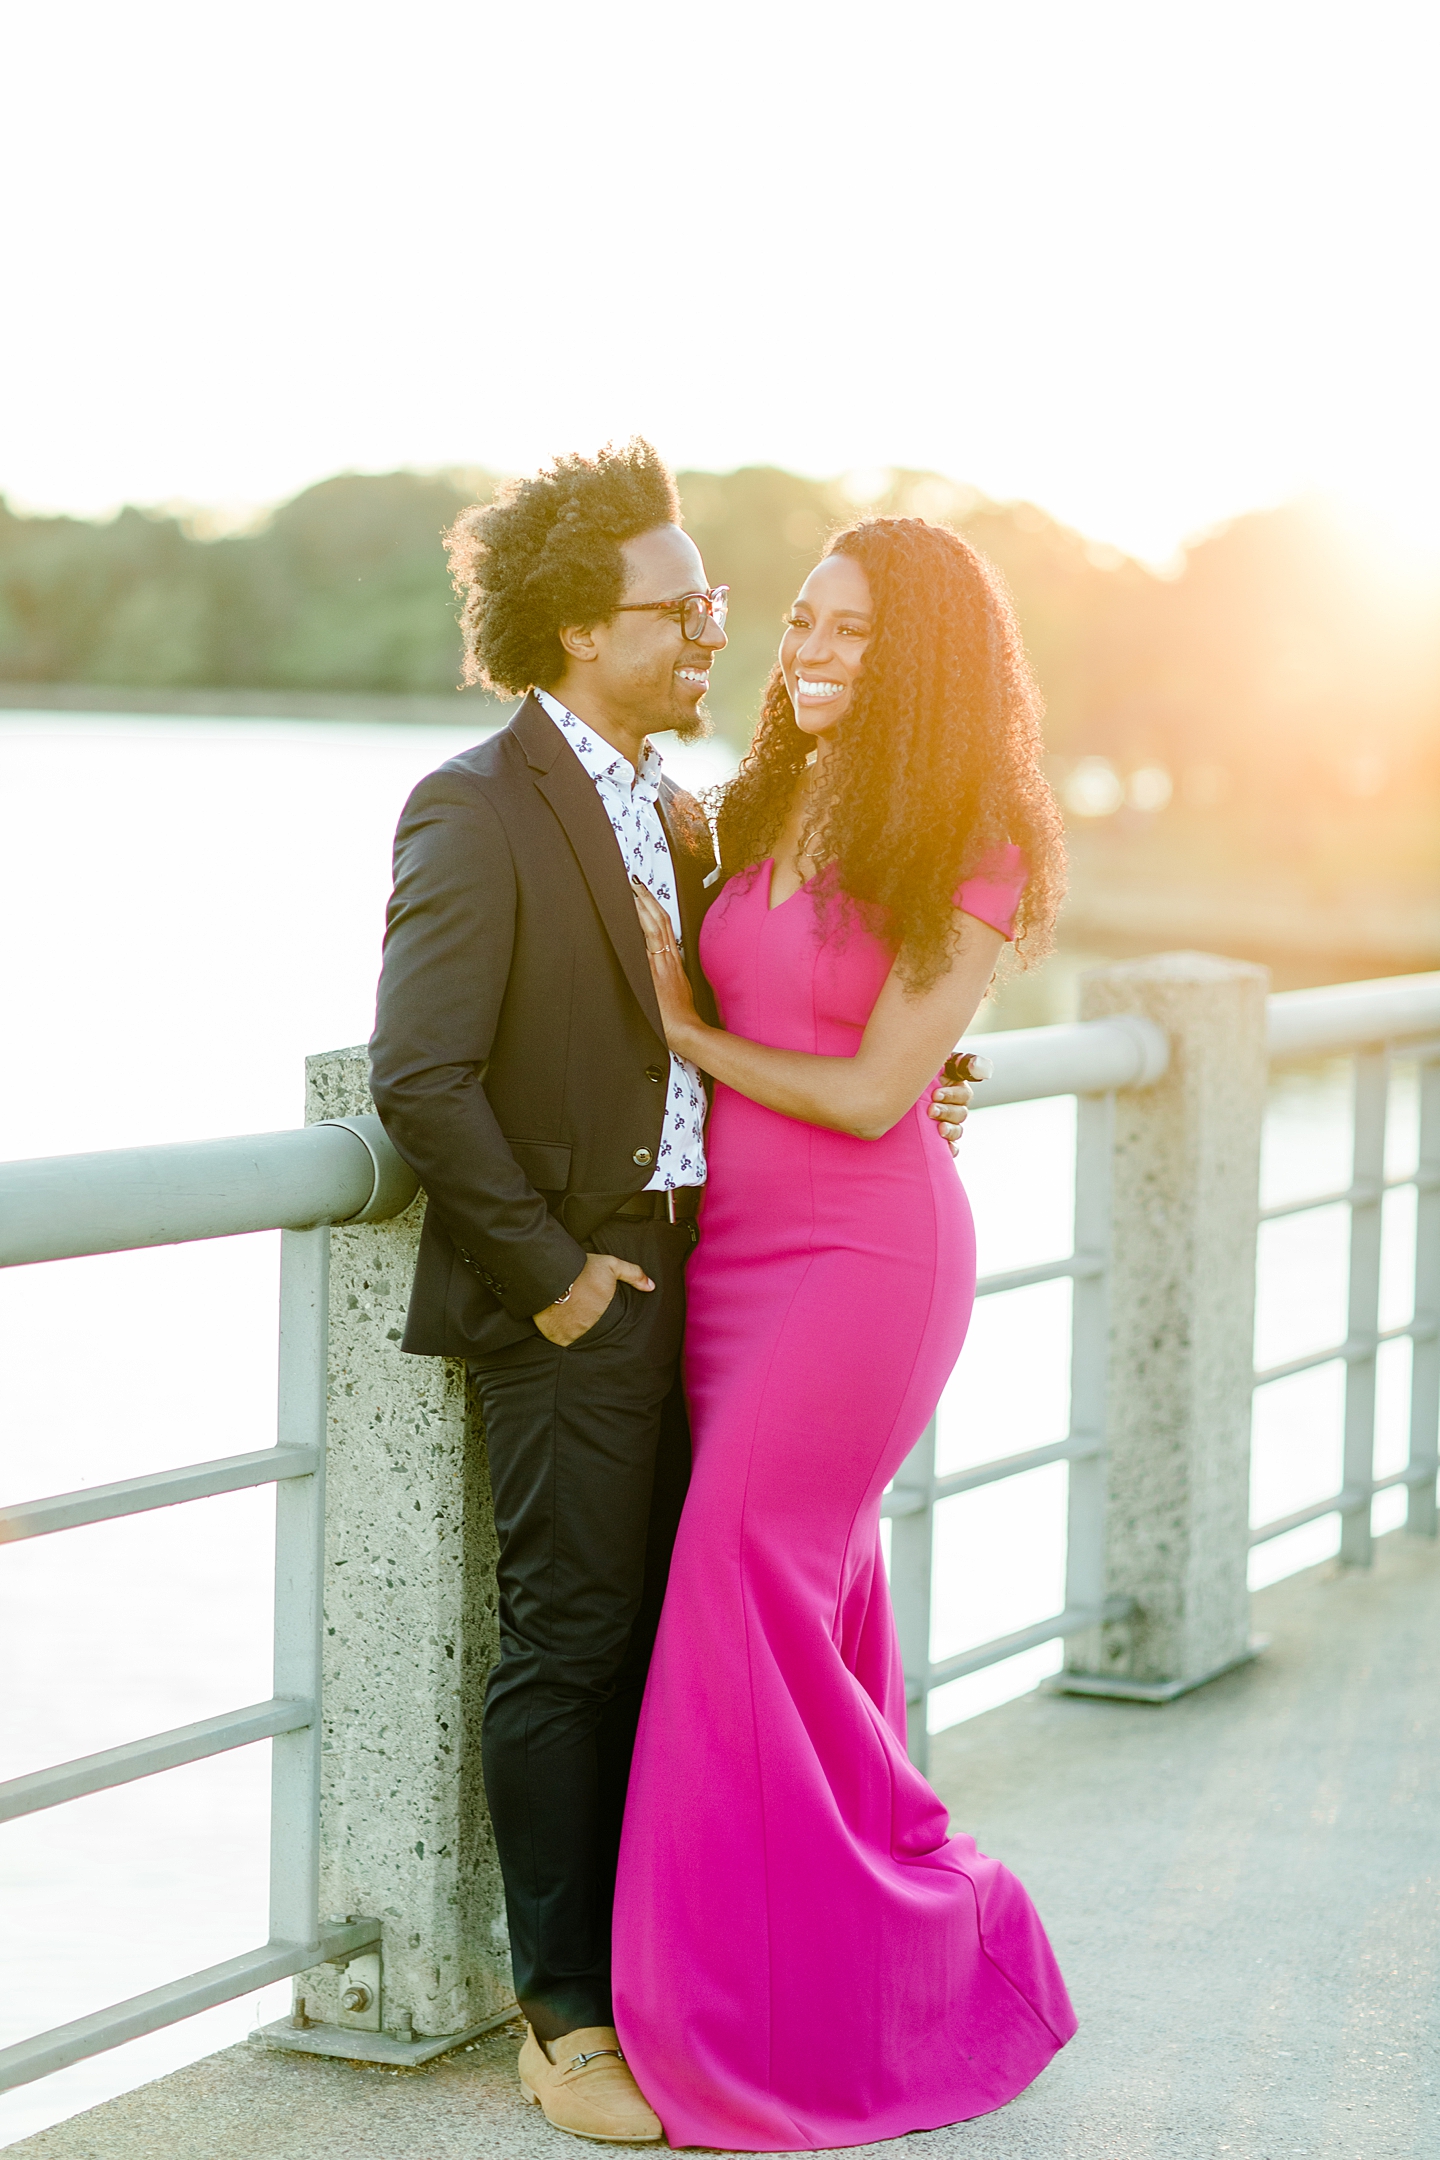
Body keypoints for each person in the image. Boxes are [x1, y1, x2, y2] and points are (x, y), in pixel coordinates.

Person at [368, 444, 973, 2146]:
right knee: (570, 1642)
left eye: (717, 602)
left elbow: (784, 1006)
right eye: (681, 607)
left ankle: (673, 1977)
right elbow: (422, 1079)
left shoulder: (685, 804)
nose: (720, 629)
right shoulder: (476, 806)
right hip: (585, 1287)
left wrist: (927, 1065)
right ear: (577, 626)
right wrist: (554, 1283)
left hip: (725, 1277)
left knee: (680, 1643)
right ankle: (559, 2018)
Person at [616, 515, 1077, 2150]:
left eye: (853, 633)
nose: (809, 654)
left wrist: (684, 1027)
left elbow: (882, 1088)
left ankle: (734, 2021)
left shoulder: (974, 827)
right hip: (731, 1261)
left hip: (865, 1266)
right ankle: (873, 1970)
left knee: (732, 1582)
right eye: (799, 623)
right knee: (799, 1612)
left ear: (930, 659)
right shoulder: (757, 802)